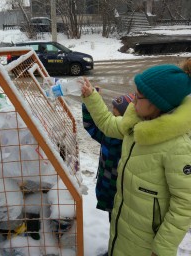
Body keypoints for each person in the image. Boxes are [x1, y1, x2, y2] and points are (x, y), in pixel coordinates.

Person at [81, 58, 191, 256]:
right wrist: (90, 97)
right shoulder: (135, 124)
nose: (132, 101)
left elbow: (185, 203)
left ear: (158, 103)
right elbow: (107, 124)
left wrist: (163, 247)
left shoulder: (178, 146)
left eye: (138, 97)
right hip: (123, 226)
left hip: (148, 242)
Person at [82, 93, 134, 219]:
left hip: (123, 195)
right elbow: (91, 126)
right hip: (105, 188)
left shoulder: (130, 141)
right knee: (113, 221)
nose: (112, 110)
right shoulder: (108, 133)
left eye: (115, 108)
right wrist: (87, 105)